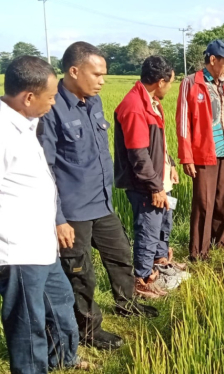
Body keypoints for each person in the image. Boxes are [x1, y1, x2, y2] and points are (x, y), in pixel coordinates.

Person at [38, 42, 158, 351]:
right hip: (73, 211)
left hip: (101, 202)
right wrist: (57, 218)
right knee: (81, 275)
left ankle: (127, 304)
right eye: (97, 73)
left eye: (104, 74)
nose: (103, 80)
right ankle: (89, 330)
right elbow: (44, 168)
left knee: (120, 255)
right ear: (74, 71)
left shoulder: (95, 102)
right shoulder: (51, 109)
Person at [0, 56, 91, 373]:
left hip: (41, 244)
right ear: (28, 97)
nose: (53, 104)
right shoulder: (2, 132)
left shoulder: (24, 124)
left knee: (60, 302)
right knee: (28, 324)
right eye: (50, 97)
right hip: (18, 249)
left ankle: (63, 360)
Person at [114, 56, 190, 298]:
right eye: (171, 82)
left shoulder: (151, 102)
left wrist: (171, 165)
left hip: (159, 178)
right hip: (146, 184)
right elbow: (139, 155)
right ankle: (142, 279)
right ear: (160, 81)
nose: (171, 86)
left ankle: (159, 263)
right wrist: (155, 187)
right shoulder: (135, 107)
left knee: (162, 224)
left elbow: (159, 144)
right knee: (148, 229)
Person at [176, 40, 224, 261]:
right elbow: (183, 122)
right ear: (213, 60)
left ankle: (218, 241)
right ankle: (198, 252)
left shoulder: (222, 86)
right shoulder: (191, 83)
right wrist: (187, 157)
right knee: (204, 203)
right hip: (204, 154)